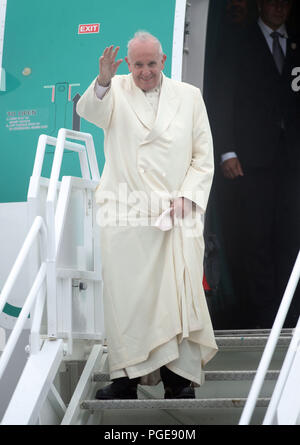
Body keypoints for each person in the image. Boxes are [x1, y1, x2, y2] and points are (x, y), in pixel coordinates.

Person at [76, 31, 218, 399]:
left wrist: (186, 198)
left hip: (176, 214)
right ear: (129, 63)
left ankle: (178, 382)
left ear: (163, 61)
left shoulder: (189, 97)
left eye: (151, 63)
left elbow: (203, 156)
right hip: (128, 215)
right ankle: (125, 380)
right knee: (129, 301)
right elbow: (90, 112)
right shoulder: (115, 89)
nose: (144, 72)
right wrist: (104, 80)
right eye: (137, 64)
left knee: (176, 297)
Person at [212, 0, 300, 328]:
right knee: (257, 237)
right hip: (251, 159)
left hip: (293, 160)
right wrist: (227, 151)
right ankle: (263, 316)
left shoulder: (296, 42)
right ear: (260, 4)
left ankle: (291, 314)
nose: (280, 7)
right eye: (273, 1)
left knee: (292, 235)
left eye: (285, 2)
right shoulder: (240, 41)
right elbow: (223, 97)